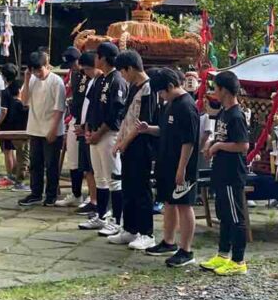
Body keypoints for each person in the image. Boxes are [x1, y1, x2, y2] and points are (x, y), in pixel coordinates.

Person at [139, 68, 200, 267]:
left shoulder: (187, 106)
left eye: (163, 92)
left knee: (184, 205)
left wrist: (181, 169)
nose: (161, 96)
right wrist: (149, 129)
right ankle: (168, 241)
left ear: (172, 86)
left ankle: (186, 249)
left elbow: (188, 141)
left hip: (181, 165)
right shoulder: (169, 105)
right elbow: (165, 130)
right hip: (166, 162)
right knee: (168, 202)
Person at [199, 71, 252, 275]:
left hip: (232, 173)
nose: (214, 92)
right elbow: (221, 136)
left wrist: (219, 146)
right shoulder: (223, 112)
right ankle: (222, 254)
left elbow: (243, 145)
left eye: (216, 88)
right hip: (220, 171)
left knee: (235, 216)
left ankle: (238, 260)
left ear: (224, 90)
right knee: (224, 215)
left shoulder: (237, 115)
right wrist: (211, 144)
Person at [78, 43, 126, 233]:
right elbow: (91, 107)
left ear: (103, 58)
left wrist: (99, 132)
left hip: (109, 134)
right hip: (95, 133)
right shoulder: (99, 80)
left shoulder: (117, 80)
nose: (95, 59)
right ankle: (100, 214)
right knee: (100, 178)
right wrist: (89, 129)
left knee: (113, 178)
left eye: (97, 55)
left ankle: (116, 219)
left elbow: (116, 112)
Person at [111, 50, 156, 250]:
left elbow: (142, 123)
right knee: (127, 187)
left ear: (130, 68)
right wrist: (119, 141)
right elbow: (126, 116)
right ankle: (129, 228)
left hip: (141, 144)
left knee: (141, 189)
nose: (123, 76)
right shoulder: (132, 87)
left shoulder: (149, 88)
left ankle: (146, 232)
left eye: (123, 71)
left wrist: (125, 142)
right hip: (127, 144)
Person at [18, 51, 66, 207]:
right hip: (35, 127)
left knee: (51, 164)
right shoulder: (31, 79)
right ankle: (35, 193)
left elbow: (59, 108)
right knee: (35, 163)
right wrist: (26, 78)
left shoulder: (56, 81)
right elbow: (24, 101)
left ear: (47, 66)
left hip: (52, 128)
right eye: (33, 70)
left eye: (39, 70)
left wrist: (53, 130)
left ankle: (51, 194)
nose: (37, 73)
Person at [55, 47, 87, 208]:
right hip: (74, 117)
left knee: (88, 162)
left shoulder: (88, 74)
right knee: (73, 158)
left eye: (73, 63)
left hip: (86, 120)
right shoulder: (73, 75)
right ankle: (76, 193)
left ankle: (91, 196)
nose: (72, 67)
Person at [74, 52, 101, 217]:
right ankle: (93, 200)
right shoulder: (90, 82)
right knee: (87, 169)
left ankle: (99, 202)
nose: (85, 73)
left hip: (95, 131)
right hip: (85, 129)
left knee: (97, 170)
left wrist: (90, 128)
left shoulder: (103, 81)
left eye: (87, 69)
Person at [0, 63, 28, 191]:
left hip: (10, 125)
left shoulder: (5, 92)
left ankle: (14, 177)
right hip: (22, 124)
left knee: (10, 151)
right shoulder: (22, 85)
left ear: (4, 76)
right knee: (21, 153)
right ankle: (15, 177)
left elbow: (3, 111)